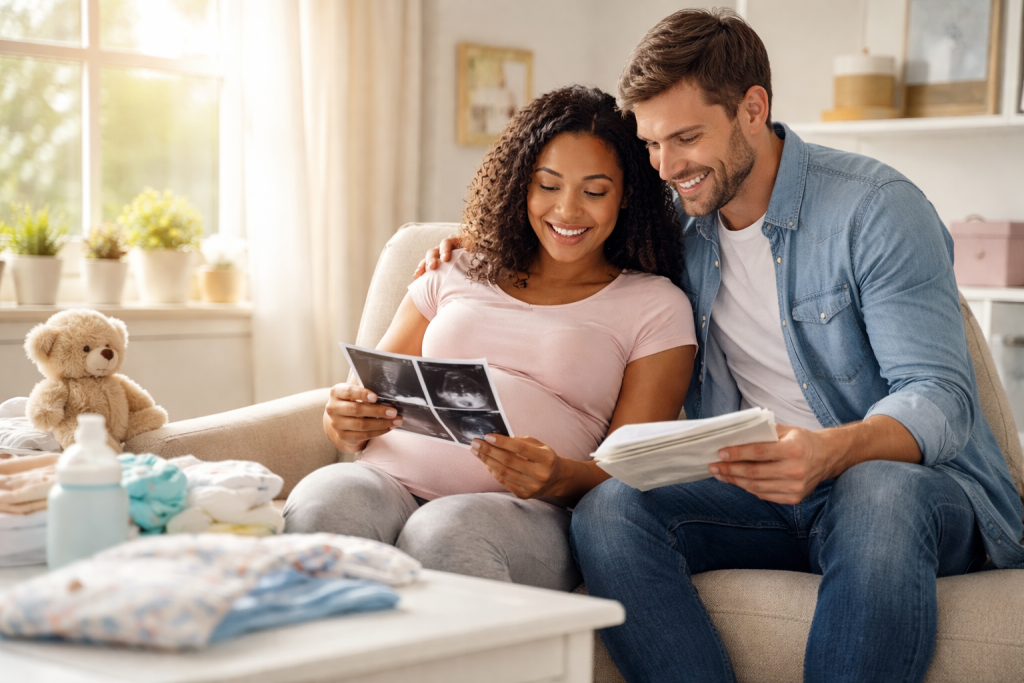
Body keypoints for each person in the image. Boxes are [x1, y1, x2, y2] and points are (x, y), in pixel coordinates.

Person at [417, 9, 1024, 682]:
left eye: (685, 138)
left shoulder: (876, 210)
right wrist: (474, 245)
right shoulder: (678, 219)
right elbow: (566, 227)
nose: (667, 166)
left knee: (874, 490)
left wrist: (830, 449)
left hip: (910, 490)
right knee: (611, 508)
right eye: (651, 144)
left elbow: (940, 397)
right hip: (759, 488)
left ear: (753, 108)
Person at [284, 86, 698, 592]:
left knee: (444, 533)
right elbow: (357, 403)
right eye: (548, 186)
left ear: (626, 194)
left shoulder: (655, 305)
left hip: (530, 512)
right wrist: (343, 420)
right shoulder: (453, 268)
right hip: (387, 479)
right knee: (325, 499)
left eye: (594, 191)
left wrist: (561, 477)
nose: (568, 211)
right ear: (522, 184)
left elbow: (636, 468)